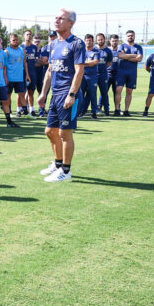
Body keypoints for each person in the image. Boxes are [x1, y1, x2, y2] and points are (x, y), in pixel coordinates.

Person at [36, 9, 87, 182]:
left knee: (65, 134)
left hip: (68, 94)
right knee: (50, 131)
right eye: (55, 18)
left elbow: (79, 70)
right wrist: (43, 93)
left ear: (71, 23)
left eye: (61, 18)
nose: (56, 21)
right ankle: (57, 164)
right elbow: (50, 71)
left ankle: (66, 171)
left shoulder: (77, 43)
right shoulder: (53, 44)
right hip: (55, 95)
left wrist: (71, 94)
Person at [114, 30, 143, 116]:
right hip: (121, 72)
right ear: (126, 37)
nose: (130, 37)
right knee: (118, 89)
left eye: (132, 35)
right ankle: (117, 110)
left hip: (132, 72)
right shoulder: (122, 46)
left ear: (134, 36)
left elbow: (140, 59)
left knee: (129, 91)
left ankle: (126, 110)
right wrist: (134, 55)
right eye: (129, 35)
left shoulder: (138, 47)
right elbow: (120, 55)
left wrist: (126, 56)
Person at [77, 34, 102, 118]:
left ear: (92, 41)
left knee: (92, 95)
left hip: (92, 77)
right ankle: (80, 112)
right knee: (81, 94)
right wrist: (87, 63)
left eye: (90, 40)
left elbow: (94, 62)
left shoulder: (96, 51)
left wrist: (82, 63)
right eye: (87, 40)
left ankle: (94, 112)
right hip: (82, 76)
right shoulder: (81, 51)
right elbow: (78, 62)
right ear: (84, 41)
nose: (88, 42)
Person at [5, 33, 29, 117]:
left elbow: (25, 63)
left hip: (19, 77)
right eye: (13, 40)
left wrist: (27, 75)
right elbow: (4, 65)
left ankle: (26, 113)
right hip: (9, 77)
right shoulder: (7, 51)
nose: (15, 41)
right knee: (8, 95)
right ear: (10, 41)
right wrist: (5, 76)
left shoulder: (22, 50)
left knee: (22, 94)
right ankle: (9, 112)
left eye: (16, 40)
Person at [95, 33, 113, 114]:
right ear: (96, 40)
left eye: (101, 39)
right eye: (99, 39)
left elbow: (109, 63)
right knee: (92, 92)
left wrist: (102, 68)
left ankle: (106, 109)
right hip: (94, 74)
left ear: (104, 40)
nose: (100, 41)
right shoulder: (94, 50)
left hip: (103, 74)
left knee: (104, 92)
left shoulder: (108, 51)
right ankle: (95, 109)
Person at [23, 30, 39, 116]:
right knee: (21, 92)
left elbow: (36, 59)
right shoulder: (20, 47)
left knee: (31, 92)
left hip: (32, 72)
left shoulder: (34, 47)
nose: (29, 36)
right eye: (27, 34)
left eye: (30, 35)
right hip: (22, 72)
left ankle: (31, 109)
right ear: (24, 36)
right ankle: (20, 109)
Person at [104, 34, 120, 113]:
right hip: (107, 74)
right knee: (104, 91)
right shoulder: (107, 50)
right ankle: (100, 106)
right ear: (110, 41)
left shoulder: (120, 51)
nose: (114, 42)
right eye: (113, 41)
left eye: (116, 41)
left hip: (117, 75)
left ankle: (117, 108)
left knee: (116, 92)